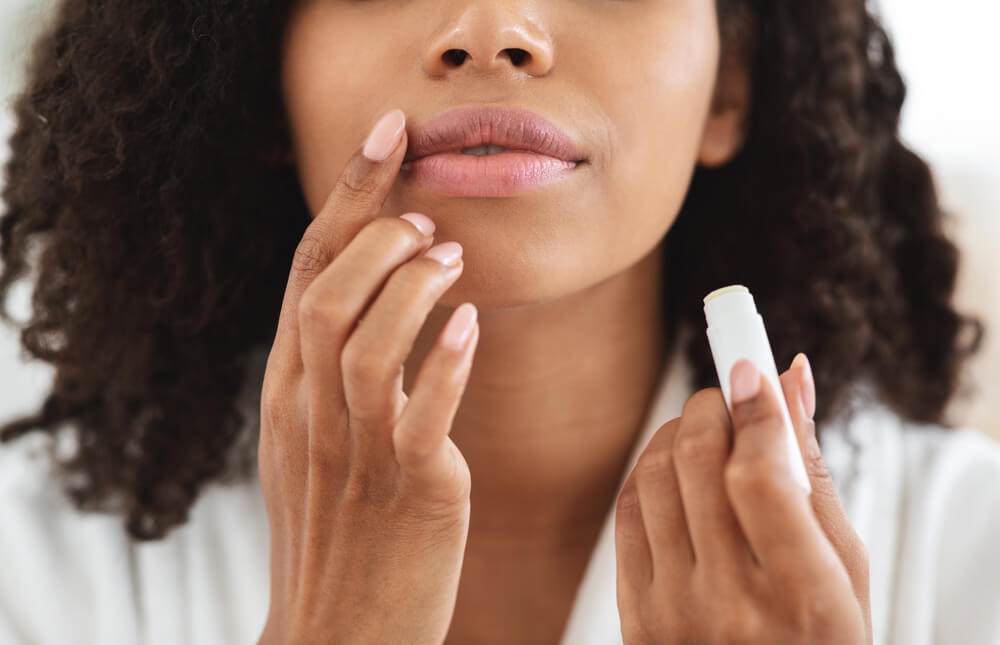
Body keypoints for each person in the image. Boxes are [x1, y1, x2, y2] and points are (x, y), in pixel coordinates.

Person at [1, 1, 998, 644]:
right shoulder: (30, 572)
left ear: (728, 87)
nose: (492, 28)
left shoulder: (967, 548)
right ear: (258, 79)